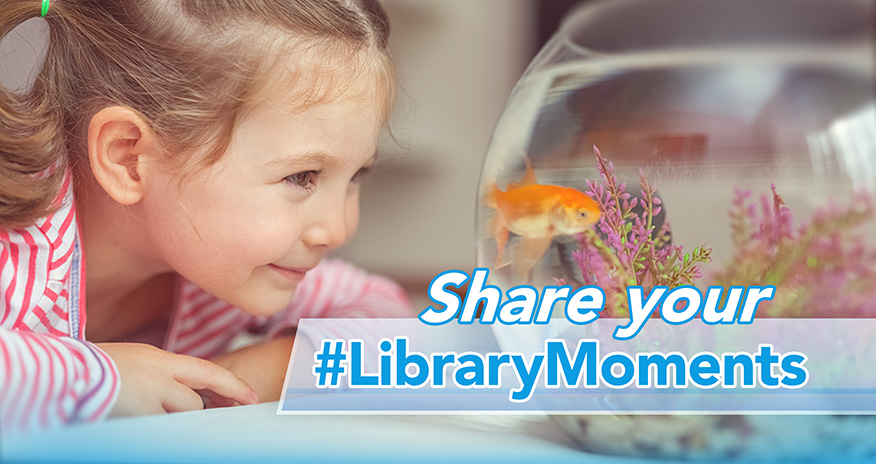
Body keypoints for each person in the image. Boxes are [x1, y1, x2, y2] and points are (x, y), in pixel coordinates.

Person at [0, 0, 411, 433]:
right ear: (129, 158)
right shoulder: (14, 246)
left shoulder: (220, 268)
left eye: (356, 175)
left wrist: (288, 364)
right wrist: (98, 380)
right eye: (301, 176)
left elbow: (385, 309)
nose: (339, 229)